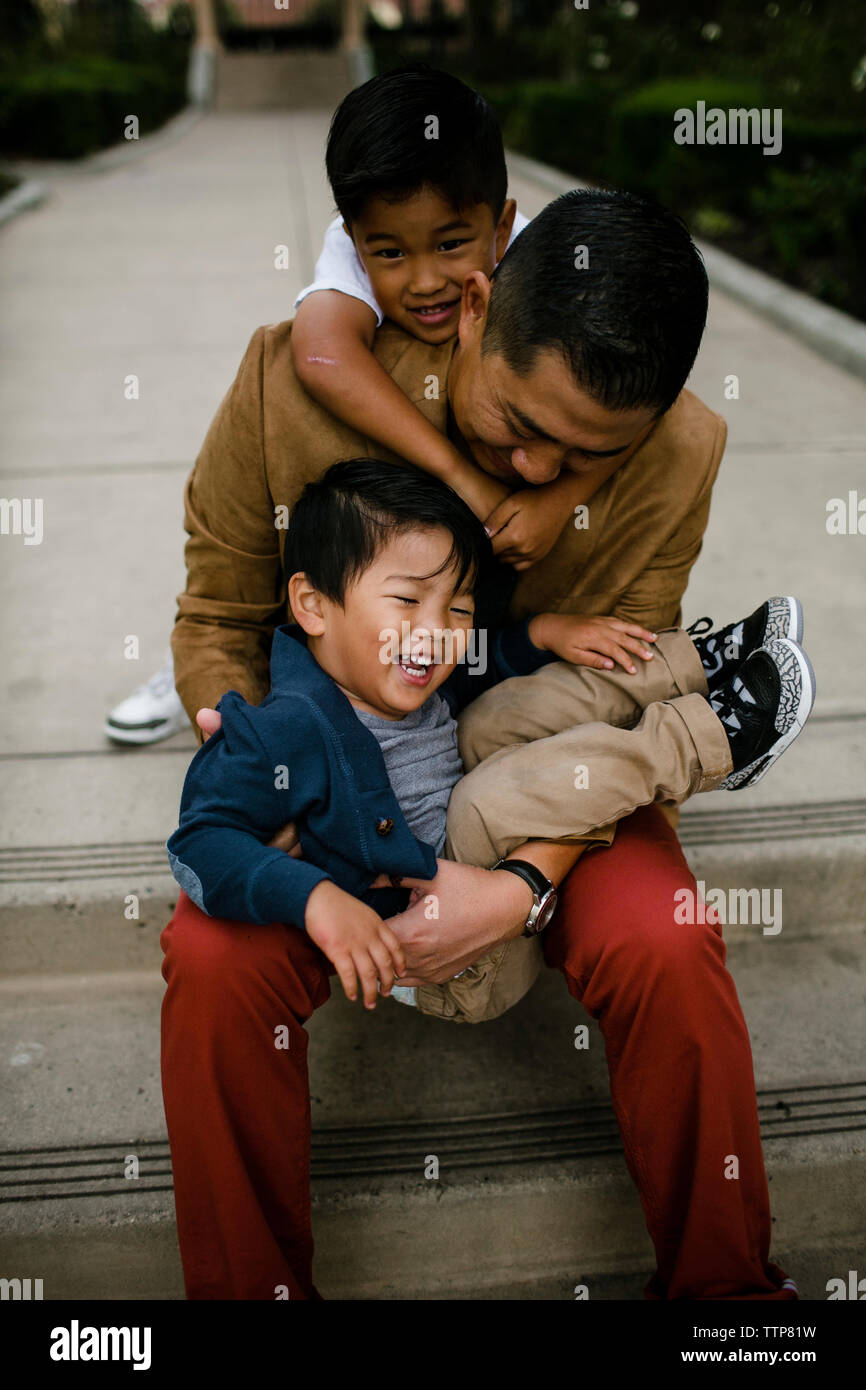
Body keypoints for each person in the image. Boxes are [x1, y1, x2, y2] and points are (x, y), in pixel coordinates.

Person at [161, 183, 801, 1300]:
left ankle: (725, 1298)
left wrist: (518, 886)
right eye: (520, 428)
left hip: (545, 776)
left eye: (588, 454)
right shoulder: (292, 383)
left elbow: (610, 686)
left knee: (663, 938)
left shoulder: (679, 446)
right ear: (473, 307)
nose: (542, 474)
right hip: (326, 782)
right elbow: (218, 613)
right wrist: (249, 742)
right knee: (213, 959)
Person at [166, 458, 814, 1024]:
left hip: (476, 865)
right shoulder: (280, 729)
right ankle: (715, 739)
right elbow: (199, 845)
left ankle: (699, 663)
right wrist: (313, 897)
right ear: (312, 606)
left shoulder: (408, 672)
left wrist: (546, 633)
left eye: (458, 607)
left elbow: (485, 659)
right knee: (488, 798)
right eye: (407, 600)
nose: (437, 631)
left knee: (499, 711)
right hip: (452, 958)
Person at [104, 66, 547, 743]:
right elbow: (318, 356)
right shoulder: (342, 272)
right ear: (352, 237)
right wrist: (466, 480)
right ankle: (216, 669)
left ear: (503, 226)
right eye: (390, 251)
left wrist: (553, 502)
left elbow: (632, 410)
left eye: (452, 244)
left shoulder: (545, 275)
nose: (427, 279)